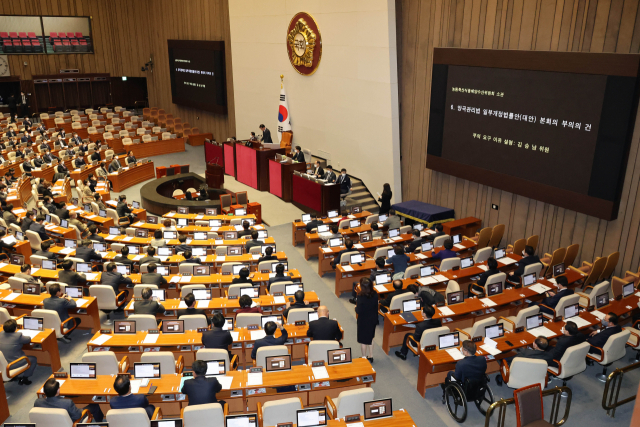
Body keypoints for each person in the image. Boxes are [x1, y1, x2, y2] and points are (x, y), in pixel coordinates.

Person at [35, 378, 104, 422]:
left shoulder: (37, 402)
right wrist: (80, 409)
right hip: (70, 423)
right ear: (58, 390)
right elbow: (77, 416)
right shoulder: (67, 403)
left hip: (50, 423)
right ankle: (100, 423)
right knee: (95, 406)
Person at [0, 319, 37, 385]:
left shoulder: (1, 334)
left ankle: (15, 377)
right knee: (33, 359)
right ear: (15, 328)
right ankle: (25, 378)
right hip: (12, 363)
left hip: (2, 364)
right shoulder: (18, 336)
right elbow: (28, 339)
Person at [356, 278, 378, 362]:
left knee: (363, 341)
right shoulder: (375, 294)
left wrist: (355, 308)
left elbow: (359, 310)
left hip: (364, 321)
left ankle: (364, 357)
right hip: (373, 319)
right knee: (371, 337)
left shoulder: (361, 296)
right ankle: (371, 355)